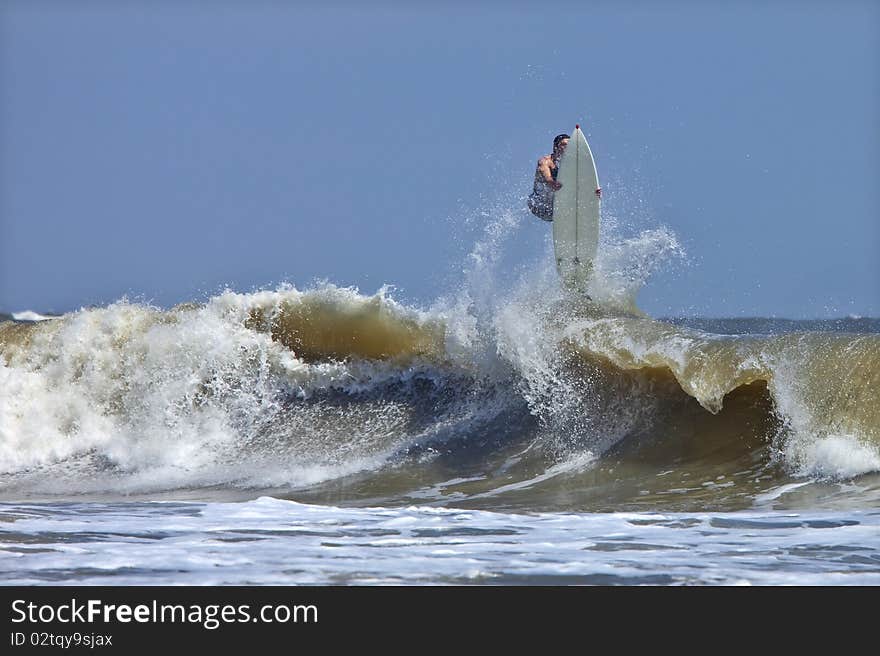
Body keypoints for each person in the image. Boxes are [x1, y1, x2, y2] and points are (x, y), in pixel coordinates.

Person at [527, 133, 569, 221]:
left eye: (570, 145)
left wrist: (593, 192)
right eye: (564, 144)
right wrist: (552, 183)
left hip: (555, 205)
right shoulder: (545, 161)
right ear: (556, 147)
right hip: (539, 206)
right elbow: (547, 178)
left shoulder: (570, 165)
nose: (567, 147)